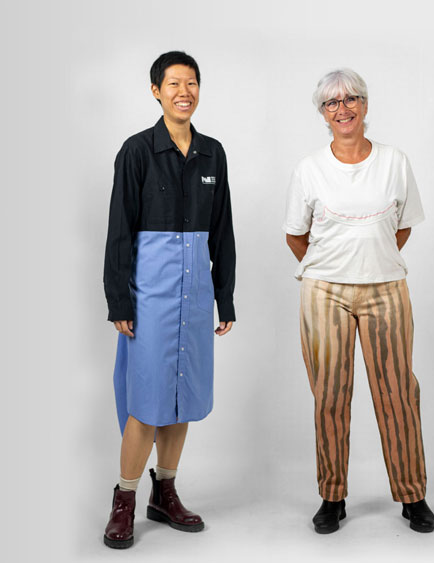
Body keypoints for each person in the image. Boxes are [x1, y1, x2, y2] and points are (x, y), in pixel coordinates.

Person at [284, 68, 434, 534]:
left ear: (366, 106)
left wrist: (373, 261)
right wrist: (334, 265)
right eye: (332, 103)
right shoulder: (309, 168)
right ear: (322, 114)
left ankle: (413, 496)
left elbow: (403, 226)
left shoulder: (394, 161)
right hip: (323, 291)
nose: (343, 109)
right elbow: (296, 235)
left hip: (386, 288)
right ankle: (333, 496)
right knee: (330, 395)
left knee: (398, 394)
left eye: (352, 99)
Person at [102, 51, 236, 549]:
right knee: (146, 401)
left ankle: (166, 491)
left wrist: (226, 297)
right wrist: (119, 299)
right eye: (174, 83)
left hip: (196, 293)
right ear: (156, 90)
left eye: (193, 82)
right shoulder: (137, 151)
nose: (185, 91)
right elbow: (119, 229)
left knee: (181, 399)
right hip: (150, 294)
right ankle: (125, 499)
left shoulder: (213, 153)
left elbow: (221, 229)